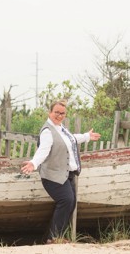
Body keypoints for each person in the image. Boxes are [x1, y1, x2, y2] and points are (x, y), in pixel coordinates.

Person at [21, 100, 101, 244]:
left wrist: (87, 136)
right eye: (56, 112)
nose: (59, 115)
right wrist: (33, 163)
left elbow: (71, 139)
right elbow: (43, 150)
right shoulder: (47, 131)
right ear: (50, 113)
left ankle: (54, 236)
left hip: (65, 174)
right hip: (52, 176)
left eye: (62, 113)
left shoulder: (61, 128)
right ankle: (53, 238)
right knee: (66, 200)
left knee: (71, 203)